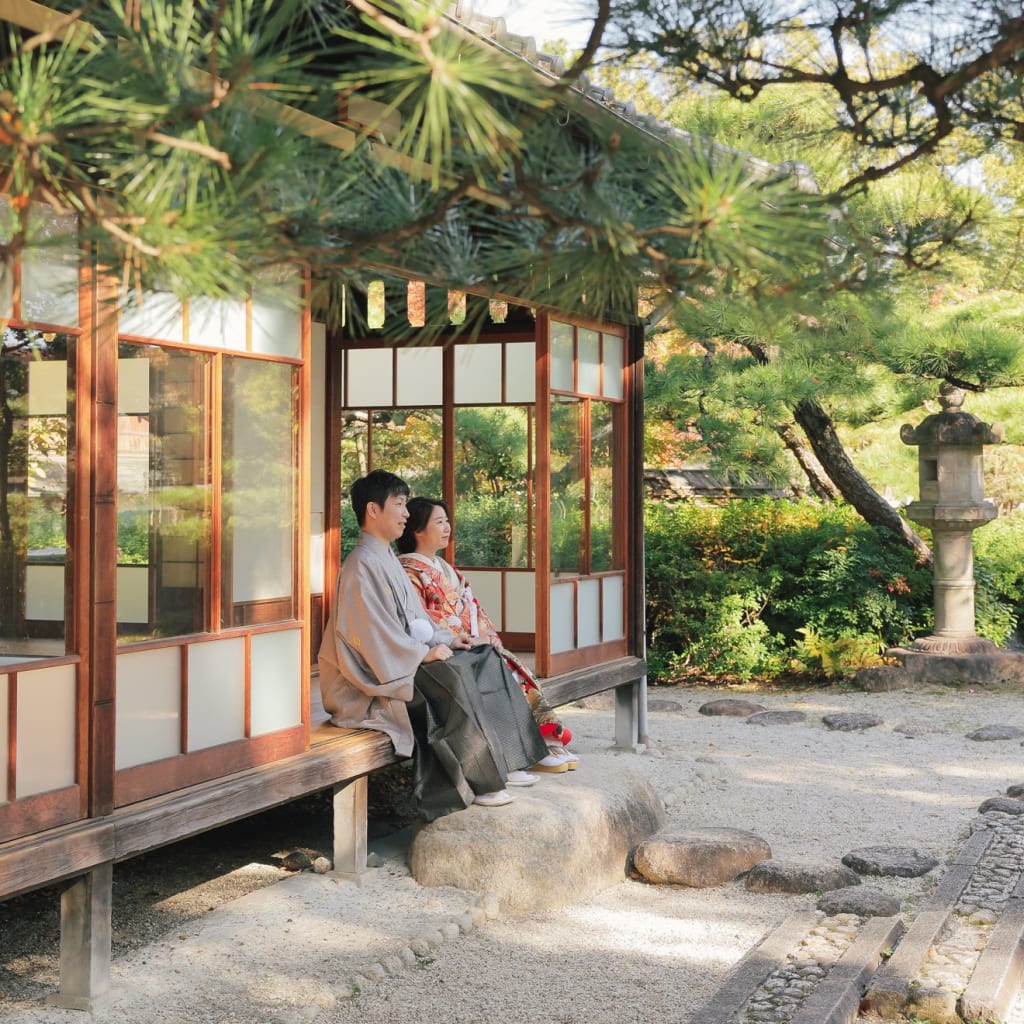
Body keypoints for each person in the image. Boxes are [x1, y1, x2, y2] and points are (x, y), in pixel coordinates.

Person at [317, 470, 550, 820]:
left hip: (397, 662)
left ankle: (510, 757)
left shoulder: (383, 558)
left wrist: (451, 639)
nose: (406, 514)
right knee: (451, 680)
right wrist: (422, 654)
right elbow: (370, 636)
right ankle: (485, 781)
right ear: (373, 510)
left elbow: (416, 621)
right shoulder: (360, 565)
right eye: (399, 505)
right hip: (369, 685)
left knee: (484, 657)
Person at [396, 496, 578, 771]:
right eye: (439, 522)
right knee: (498, 675)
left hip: (468, 642)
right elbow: (423, 620)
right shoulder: (408, 570)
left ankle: (540, 741)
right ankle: (527, 750)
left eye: (447, 521)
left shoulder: (445, 568)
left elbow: (472, 608)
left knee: (510, 667)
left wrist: (485, 636)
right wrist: (464, 637)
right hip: (445, 650)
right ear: (417, 530)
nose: (447, 528)